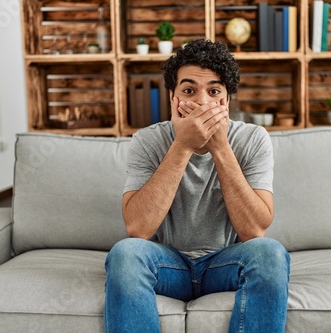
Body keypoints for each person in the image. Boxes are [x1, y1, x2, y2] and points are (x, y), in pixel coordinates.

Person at [104, 38, 290, 333]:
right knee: (125, 254)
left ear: (227, 101)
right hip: (169, 266)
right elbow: (138, 229)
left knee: (270, 253)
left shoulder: (253, 139)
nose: (203, 103)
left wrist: (220, 148)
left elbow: (254, 231)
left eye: (214, 92)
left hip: (225, 264)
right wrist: (182, 146)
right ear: (172, 98)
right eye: (189, 90)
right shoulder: (147, 140)